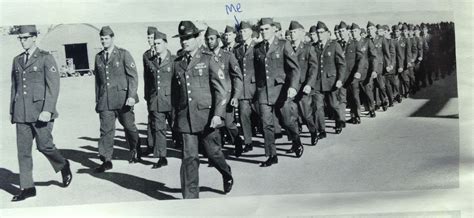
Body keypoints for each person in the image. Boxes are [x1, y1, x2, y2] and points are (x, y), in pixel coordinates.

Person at [9, 25, 72, 201]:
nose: (23, 41)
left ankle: (63, 164)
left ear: (34, 37)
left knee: (44, 145)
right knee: (23, 152)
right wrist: (12, 110)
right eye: (20, 38)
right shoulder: (17, 60)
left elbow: (53, 86)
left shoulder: (45, 57)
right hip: (21, 112)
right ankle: (27, 187)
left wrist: (47, 110)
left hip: (40, 112)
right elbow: (15, 87)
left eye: (26, 38)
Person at [171, 21, 233, 199]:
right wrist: (175, 119)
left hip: (207, 118)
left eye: (189, 37)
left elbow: (221, 90)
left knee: (214, 153)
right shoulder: (178, 62)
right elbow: (175, 95)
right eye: (182, 38)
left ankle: (226, 172)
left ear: (197, 37)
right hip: (185, 119)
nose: (185, 41)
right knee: (189, 158)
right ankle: (191, 200)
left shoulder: (208, 58)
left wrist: (218, 115)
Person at [254, 17, 303, 167]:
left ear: (274, 29)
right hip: (264, 91)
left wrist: (293, 87)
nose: (263, 32)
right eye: (261, 29)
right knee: (266, 124)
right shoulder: (257, 48)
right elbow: (256, 72)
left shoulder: (283, 44)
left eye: (266, 29)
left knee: (287, 121)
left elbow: (295, 68)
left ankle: (296, 141)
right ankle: (271, 155)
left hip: (281, 90)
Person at [93, 26, 141, 172]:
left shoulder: (123, 54)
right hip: (106, 101)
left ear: (112, 38)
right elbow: (98, 81)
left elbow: (133, 76)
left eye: (106, 38)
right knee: (106, 131)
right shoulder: (98, 57)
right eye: (102, 39)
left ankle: (135, 149)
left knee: (129, 126)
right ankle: (106, 159)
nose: (104, 41)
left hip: (123, 99)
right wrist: (98, 99)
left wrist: (132, 96)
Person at [204, 26, 244, 157]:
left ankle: (237, 140)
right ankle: (216, 154)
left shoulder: (228, 56)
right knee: (214, 126)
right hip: (209, 97)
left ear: (218, 40)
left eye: (212, 39)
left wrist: (236, 96)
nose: (209, 41)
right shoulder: (203, 57)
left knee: (228, 124)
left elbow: (237, 77)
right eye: (207, 39)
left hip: (225, 97)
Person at [143, 30, 176, 168]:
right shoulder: (151, 61)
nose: (156, 46)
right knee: (159, 129)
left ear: (165, 44)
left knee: (177, 127)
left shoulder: (174, 60)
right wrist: (148, 98)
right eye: (154, 43)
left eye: (159, 43)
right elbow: (148, 81)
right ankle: (162, 157)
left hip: (172, 100)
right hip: (156, 100)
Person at [287, 20, 319, 146]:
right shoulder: (287, 48)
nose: (292, 35)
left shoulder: (308, 48)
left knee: (306, 115)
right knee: (292, 116)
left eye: (295, 32)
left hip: (303, 87)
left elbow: (313, 68)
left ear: (301, 33)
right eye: (291, 32)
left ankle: (313, 131)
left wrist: (309, 84)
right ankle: (296, 142)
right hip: (290, 87)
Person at [312, 21, 346, 136]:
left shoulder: (334, 45)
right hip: (317, 82)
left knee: (333, 105)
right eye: (318, 33)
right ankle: (321, 130)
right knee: (318, 106)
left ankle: (339, 121)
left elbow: (341, 64)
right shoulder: (314, 47)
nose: (320, 35)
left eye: (322, 32)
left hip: (331, 81)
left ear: (327, 33)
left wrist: (340, 79)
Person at [234, 21, 258, 152]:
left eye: (244, 31)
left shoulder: (257, 46)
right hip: (243, 90)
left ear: (250, 32)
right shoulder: (237, 49)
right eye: (240, 31)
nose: (242, 34)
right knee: (244, 116)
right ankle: (248, 142)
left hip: (256, 88)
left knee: (264, 117)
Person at [348, 23, 377, 124]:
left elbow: (373, 57)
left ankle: (371, 108)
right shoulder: (350, 43)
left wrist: (373, 70)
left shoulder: (367, 41)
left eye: (355, 31)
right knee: (354, 95)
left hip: (365, 72)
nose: (353, 33)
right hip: (354, 74)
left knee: (367, 92)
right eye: (351, 31)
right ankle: (356, 115)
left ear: (360, 31)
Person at [142, 26, 158, 157]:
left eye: (152, 37)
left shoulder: (164, 52)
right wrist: (146, 93)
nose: (149, 40)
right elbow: (146, 76)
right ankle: (151, 145)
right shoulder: (146, 55)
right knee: (151, 118)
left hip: (165, 93)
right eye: (148, 37)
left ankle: (178, 141)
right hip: (152, 92)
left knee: (172, 118)